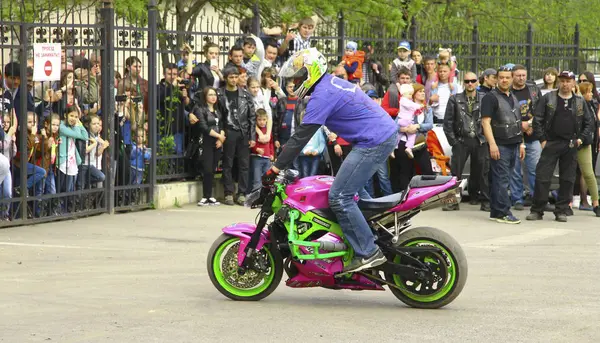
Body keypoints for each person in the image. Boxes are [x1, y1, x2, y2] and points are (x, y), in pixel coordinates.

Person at [262, 48, 398, 275]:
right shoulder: (331, 83)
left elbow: (301, 136)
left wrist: (277, 167)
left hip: (373, 141)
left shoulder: (323, 94)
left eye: (298, 76)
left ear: (310, 73)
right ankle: (371, 234)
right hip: (377, 136)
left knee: (339, 196)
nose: (295, 82)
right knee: (350, 191)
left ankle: (368, 251)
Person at [526, 71, 594, 222]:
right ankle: (537, 210)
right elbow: (538, 120)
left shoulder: (579, 101)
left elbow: (589, 123)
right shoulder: (548, 98)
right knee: (543, 177)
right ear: (558, 82)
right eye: (562, 81)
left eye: (568, 81)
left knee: (567, 179)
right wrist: (542, 139)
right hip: (551, 143)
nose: (565, 84)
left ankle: (562, 210)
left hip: (570, 144)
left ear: (573, 83)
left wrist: (580, 140)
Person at [481, 66, 525, 224]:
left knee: (501, 179)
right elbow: (485, 123)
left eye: (507, 77)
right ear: (496, 79)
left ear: (512, 78)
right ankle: (502, 212)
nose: (504, 80)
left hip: (514, 142)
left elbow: (517, 121)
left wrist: (521, 144)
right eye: (501, 77)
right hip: (500, 144)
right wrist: (492, 145)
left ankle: (496, 211)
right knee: (502, 179)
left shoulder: (512, 96)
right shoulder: (490, 97)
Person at [443, 72, 489, 211]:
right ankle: (451, 201)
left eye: (473, 81)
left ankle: (482, 199)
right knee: (456, 172)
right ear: (464, 82)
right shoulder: (454, 99)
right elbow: (448, 122)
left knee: (482, 171)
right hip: (462, 140)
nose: (470, 83)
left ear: (477, 82)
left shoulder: (485, 98)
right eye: (467, 81)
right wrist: (454, 142)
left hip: (480, 139)